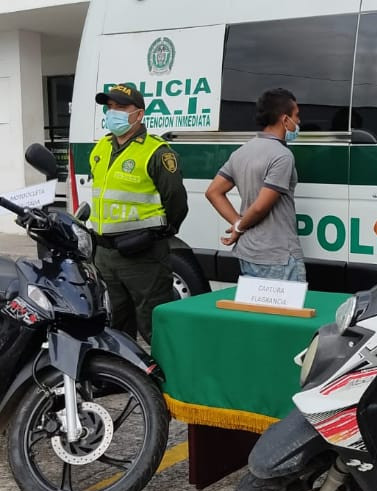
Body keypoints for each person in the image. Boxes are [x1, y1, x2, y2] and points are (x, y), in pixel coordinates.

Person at [91, 83, 188, 343]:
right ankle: (122, 380)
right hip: (104, 255)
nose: (114, 113)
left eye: (122, 107)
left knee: (155, 326)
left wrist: (161, 232)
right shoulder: (101, 147)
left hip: (141, 256)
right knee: (114, 326)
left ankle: (166, 381)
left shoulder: (157, 152)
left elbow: (176, 200)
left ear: (139, 114)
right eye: (110, 107)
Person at [205, 88, 306, 281]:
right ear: (285, 120)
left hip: (248, 253)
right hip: (278, 256)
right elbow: (260, 207)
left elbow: (213, 192)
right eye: (296, 116)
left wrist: (237, 223)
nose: (299, 122)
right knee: (286, 312)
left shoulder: (242, 151)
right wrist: (239, 227)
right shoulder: (282, 155)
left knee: (257, 311)